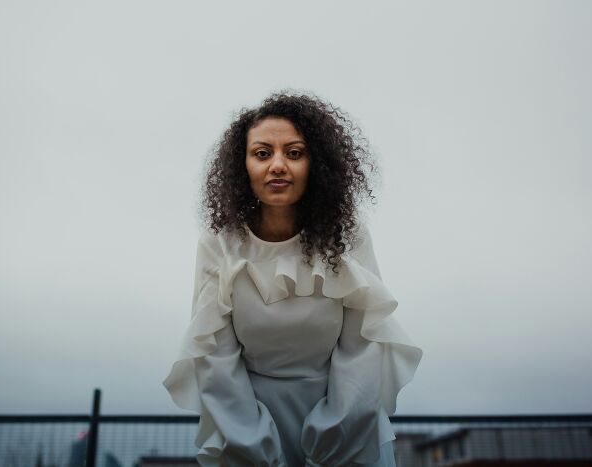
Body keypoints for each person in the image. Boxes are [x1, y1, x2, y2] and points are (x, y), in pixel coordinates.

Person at [163, 91, 423, 466]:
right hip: (247, 428)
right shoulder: (218, 244)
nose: (279, 165)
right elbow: (216, 358)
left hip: (345, 428)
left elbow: (363, 347)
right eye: (263, 153)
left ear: (315, 165)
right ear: (243, 167)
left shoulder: (349, 237)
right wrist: (254, 445)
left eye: (295, 153)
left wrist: (334, 436)